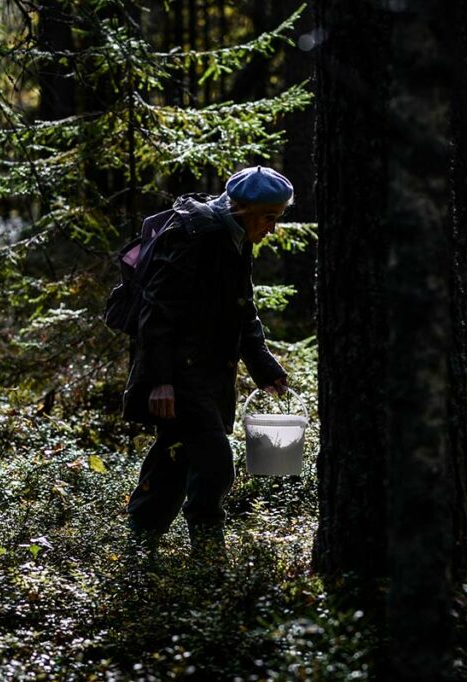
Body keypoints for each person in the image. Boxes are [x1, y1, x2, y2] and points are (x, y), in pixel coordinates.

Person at [122, 166, 293, 563]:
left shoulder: (234, 235)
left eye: (277, 218)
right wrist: (160, 381)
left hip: (209, 371)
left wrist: (264, 367)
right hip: (181, 374)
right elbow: (156, 312)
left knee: (175, 458)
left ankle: (138, 549)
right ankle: (209, 559)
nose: (272, 228)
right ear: (240, 207)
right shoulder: (196, 235)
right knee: (215, 464)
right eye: (268, 217)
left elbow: (241, 308)